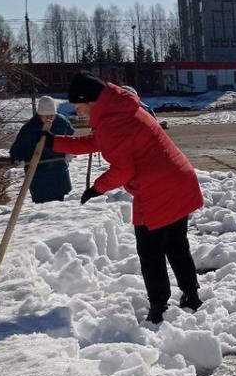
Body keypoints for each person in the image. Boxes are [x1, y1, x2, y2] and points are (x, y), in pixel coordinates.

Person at [50, 72, 204, 324]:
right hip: (179, 180)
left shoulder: (112, 121)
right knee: (176, 245)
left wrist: (96, 188)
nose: (78, 112)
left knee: (150, 253)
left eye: (78, 106)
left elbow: (123, 170)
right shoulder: (121, 109)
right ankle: (191, 295)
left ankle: (158, 308)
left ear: (89, 101)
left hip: (156, 190)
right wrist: (55, 143)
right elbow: (99, 141)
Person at [8, 95, 74, 203]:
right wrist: (18, 159)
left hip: (58, 168)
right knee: (42, 200)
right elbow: (18, 147)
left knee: (59, 201)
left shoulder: (61, 122)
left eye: (51, 115)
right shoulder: (30, 128)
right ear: (39, 115)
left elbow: (71, 136)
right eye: (45, 116)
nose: (49, 118)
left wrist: (69, 150)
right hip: (38, 171)